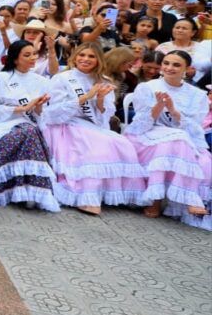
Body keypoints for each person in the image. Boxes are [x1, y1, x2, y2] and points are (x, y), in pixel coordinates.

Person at [42, 43, 148, 214]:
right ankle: (86, 197)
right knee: (93, 146)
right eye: (82, 55)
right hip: (65, 124)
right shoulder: (62, 78)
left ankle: (115, 193)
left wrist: (99, 99)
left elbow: (103, 118)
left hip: (91, 125)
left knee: (121, 143)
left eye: (91, 56)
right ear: (75, 57)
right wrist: (86, 97)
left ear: (98, 60)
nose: (85, 59)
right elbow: (53, 112)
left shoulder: (104, 81)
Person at [124, 50, 211, 225]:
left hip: (183, 138)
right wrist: (158, 106)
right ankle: (157, 200)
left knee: (204, 161)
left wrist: (173, 110)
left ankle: (184, 199)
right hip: (148, 134)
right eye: (166, 63)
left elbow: (195, 128)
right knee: (172, 142)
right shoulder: (147, 87)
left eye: (176, 65)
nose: (169, 68)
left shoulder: (197, 95)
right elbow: (141, 124)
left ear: (187, 69)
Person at [0, 40, 60, 211]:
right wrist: (21, 108)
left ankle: (28, 190)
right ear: (15, 58)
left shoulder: (41, 81)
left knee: (29, 131)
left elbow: (40, 115)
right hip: (2, 124)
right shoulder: (1, 77)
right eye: (27, 55)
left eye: (34, 54)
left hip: (28, 124)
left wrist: (37, 106)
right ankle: (29, 189)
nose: (32, 58)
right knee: (29, 133)